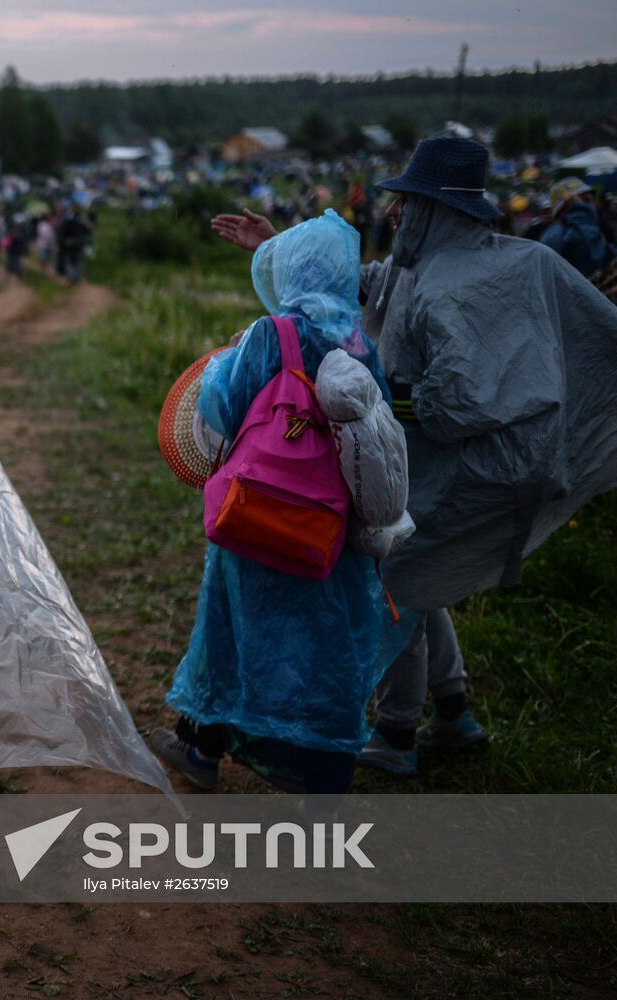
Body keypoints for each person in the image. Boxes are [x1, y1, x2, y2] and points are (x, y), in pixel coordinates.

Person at [214, 136, 617, 777]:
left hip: (481, 466)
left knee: (393, 578)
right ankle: (452, 712)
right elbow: (364, 284)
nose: (395, 212)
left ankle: (397, 732)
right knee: (419, 567)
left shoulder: (453, 287)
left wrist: (369, 400)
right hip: (465, 457)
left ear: (436, 208)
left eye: (407, 202)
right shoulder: (436, 265)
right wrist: (279, 244)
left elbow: (458, 401)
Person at [152, 210, 392, 795]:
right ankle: (323, 774)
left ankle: (201, 746)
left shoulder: (272, 334)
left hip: (259, 511)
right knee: (326, 646)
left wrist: (226, 360)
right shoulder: (361, 345)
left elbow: (219, 407)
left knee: (232, 627)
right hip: (328, 525)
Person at [541, 178, 614, 278]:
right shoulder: (568, 231)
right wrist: (580, 212)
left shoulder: (562, 230)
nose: (593, 205)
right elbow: (594, 261)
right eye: (586, 200)